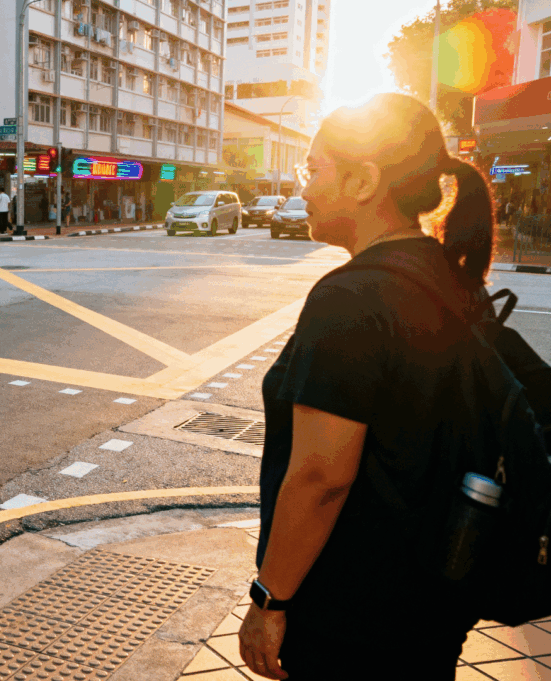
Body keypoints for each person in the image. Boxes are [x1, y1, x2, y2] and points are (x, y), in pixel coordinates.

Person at [238, 93, 492, 681]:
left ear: (362, 181)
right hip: (427, 598)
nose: (302, 188)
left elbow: (322, 476)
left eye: (313, 169)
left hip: (353, 610)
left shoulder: (350, 297)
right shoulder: (444, 277)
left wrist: (269, 600)